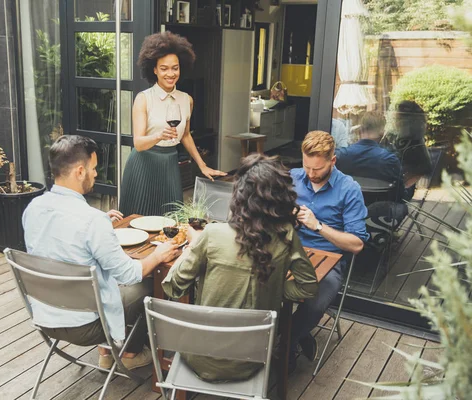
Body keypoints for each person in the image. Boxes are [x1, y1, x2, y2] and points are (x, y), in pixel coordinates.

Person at [22, 135, 181, 371]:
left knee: (107, 281)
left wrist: (100, 224)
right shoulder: (91, 220)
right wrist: (158, 255)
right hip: (85, 324)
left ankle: (106, 352)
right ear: (79, 171)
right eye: (93, 168)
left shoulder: (32, 208)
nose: (96, 174)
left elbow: (54, 247)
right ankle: (129, 352)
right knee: (149, 284)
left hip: (44, 315)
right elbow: (129, 274)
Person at [162, 154, 319, 382]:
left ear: (238, 195)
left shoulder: (212, 235)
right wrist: (275, 287)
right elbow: (308, 288)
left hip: (199, 356)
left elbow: (173, 287)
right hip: (253, 360)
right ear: (280, 198)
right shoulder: (286, 235)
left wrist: (193, 245)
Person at [119, 32, 226, 217]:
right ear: (154, 70)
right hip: (143, 164)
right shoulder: (143, 99)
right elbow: (138, 143)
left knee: (171, 219)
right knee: (137, 219)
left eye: (175, 68)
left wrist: (202, 165)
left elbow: (185, 135)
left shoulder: (186, 100)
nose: (170, 74)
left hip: (169, 162)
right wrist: (159, 135)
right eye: (164, 68)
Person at [290, 131, 369, 372]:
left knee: (314, 305)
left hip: (329, 259)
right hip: (289, 250)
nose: (311, 174)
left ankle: (284, 343)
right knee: (261, 284)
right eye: (307, 167)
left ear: (332, 161)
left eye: (318, 169)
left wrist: (318, 226)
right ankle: (294, 337)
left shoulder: (348, 189)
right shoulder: (293, 177)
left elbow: (356, 244)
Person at [336, 111, 410, 203]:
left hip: (346, 211)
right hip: (379, 213)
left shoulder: (340, 156)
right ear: (382, 133)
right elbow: (399, 194)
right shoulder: (390, 160)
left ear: (360, 130)